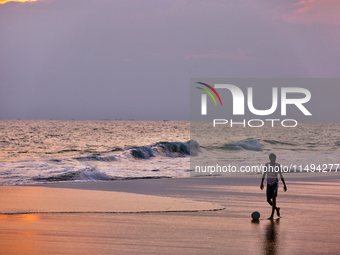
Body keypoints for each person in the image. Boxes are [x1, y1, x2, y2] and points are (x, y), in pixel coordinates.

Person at [260, 153, 287, 219]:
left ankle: (272, 215)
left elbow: (280, 175)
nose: (274, 159)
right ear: (270, 159)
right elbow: (264, 174)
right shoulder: (267, 165)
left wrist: (284, 185)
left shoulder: (277, 165)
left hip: (275, 183)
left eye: (274, 158)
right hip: (269, 183)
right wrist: (261, 183)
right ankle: (276, 209)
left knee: (274, 198)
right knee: (268, 200)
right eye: (272, 158)